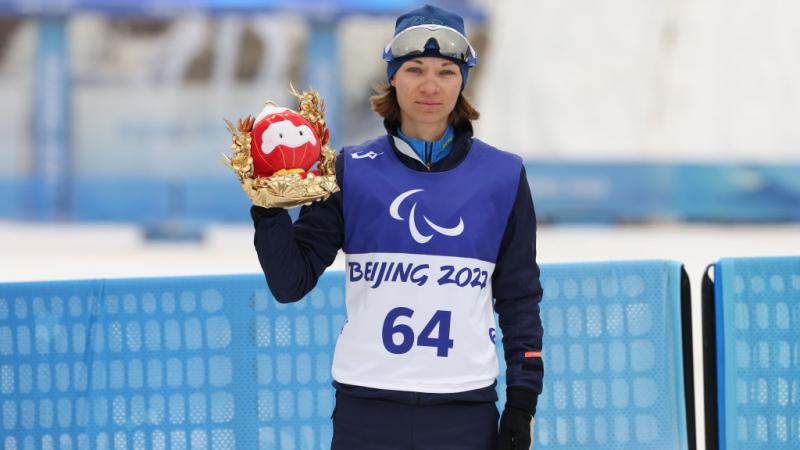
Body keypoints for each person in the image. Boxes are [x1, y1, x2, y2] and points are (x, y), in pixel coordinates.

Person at [250, 4, 543, 449]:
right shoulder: (350, 171)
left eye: (446, 71)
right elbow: (290, 282)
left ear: (463, 79)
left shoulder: (502, 176)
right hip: (367, 410)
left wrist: (522, 404)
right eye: (415, 69)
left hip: (463, 410)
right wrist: (267, 207)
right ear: (392, 76)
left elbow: (519, 297)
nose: (430, 85)